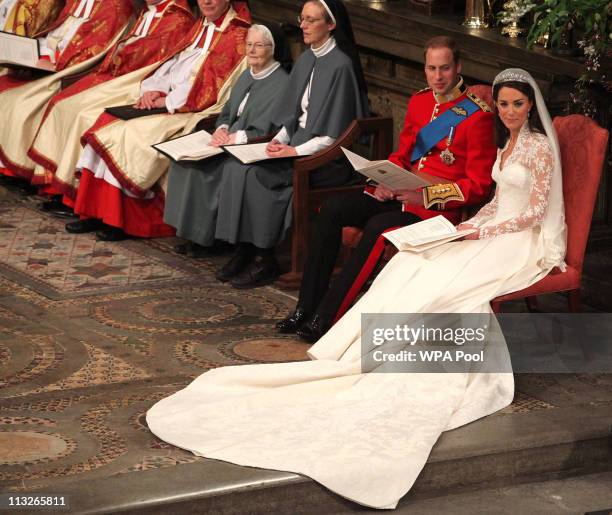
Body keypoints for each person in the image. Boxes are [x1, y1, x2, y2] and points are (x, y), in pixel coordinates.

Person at [146, 68, 566, 509]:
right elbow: (478, 188)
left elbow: (533, 209)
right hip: (483, 225)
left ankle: (372, 343)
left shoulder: (532, 144)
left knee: (444, 285)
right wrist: (460, 216)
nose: (509, 111)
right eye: (503, 104)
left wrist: (480, 227)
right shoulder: (476, 125)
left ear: (530, 105)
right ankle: (344, 338)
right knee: (410, 265)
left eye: (517, 104)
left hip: (517, 240)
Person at [276, 36, 497, 342]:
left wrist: (426, 195)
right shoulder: (420, 101)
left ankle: (326, 318)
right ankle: (305, 308)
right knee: (333, 209)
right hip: (399, 194)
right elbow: (403, 155)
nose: (437, 76)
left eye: (444, 68)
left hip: (436, 211)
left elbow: (479, 187)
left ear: (458, 67)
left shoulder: (478, 116)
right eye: (431, 68)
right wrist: (385, 178)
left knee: (378, 227)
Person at [64, 0, 251, 241]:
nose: (206, 1)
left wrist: (168, 101)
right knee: (106, 121)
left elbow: (211, 87)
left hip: (192, 111)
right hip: (168, 101)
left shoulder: (237, 35)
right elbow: (172, 64)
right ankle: (92, 212)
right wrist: (153, 89)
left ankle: (118, 220)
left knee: (128, 134)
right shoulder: (201, 25)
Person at [212, 0, 368, 289]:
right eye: (302, 18)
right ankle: (245, 248)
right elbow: (291, 117)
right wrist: (277, 141)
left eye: (311, 20)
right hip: (295, 147)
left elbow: (333, 137)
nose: (303, 26)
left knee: (258, 176)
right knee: (237, 166)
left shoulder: (341, 66)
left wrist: (294, 151)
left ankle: (266, 258)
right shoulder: (308, 57)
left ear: (331, 25)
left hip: (327, 160)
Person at [26, 0, 196, 213]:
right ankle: (56, 187)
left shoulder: (179, 20)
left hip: (135, 82)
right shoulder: (149, 11)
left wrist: (124, 57)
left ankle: (74, 194)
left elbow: (156, 62)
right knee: (62, 105)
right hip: (120, 75)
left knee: (84, 116)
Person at [163, 22, 291, 257]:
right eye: (249, 45)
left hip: (249, 146)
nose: (251, 51)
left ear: (273, 48)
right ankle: (194, 234)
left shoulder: (282, 83)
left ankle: (212, 239)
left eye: (258, 46)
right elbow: (227, 112)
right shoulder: (246, 75)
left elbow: (272, 129)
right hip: (226, 141)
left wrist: (235, 137)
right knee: (184, 163)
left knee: (205, 172)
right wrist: (221, 128)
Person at [0, 0, 134, 179]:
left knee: (18, 102)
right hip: (46, 63)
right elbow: (56, 33)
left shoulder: (115, 7)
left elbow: (92, 52)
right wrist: (39, 54)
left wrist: (55, 63)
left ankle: (19, 169)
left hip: (67, 73)